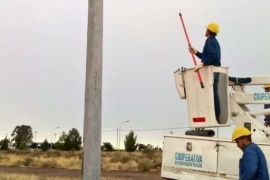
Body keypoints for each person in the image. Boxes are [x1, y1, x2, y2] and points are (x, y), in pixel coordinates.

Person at [189, 22, 221, 122]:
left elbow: (211, 56)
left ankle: (215, 115)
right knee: (213, 94)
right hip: (215, 71)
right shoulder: (214, 41)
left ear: (208, 31)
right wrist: (196, 52)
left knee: (212, 94)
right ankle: (216, 115)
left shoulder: (209, 41)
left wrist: (202, 64)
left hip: (212, 71)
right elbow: (207, 56)